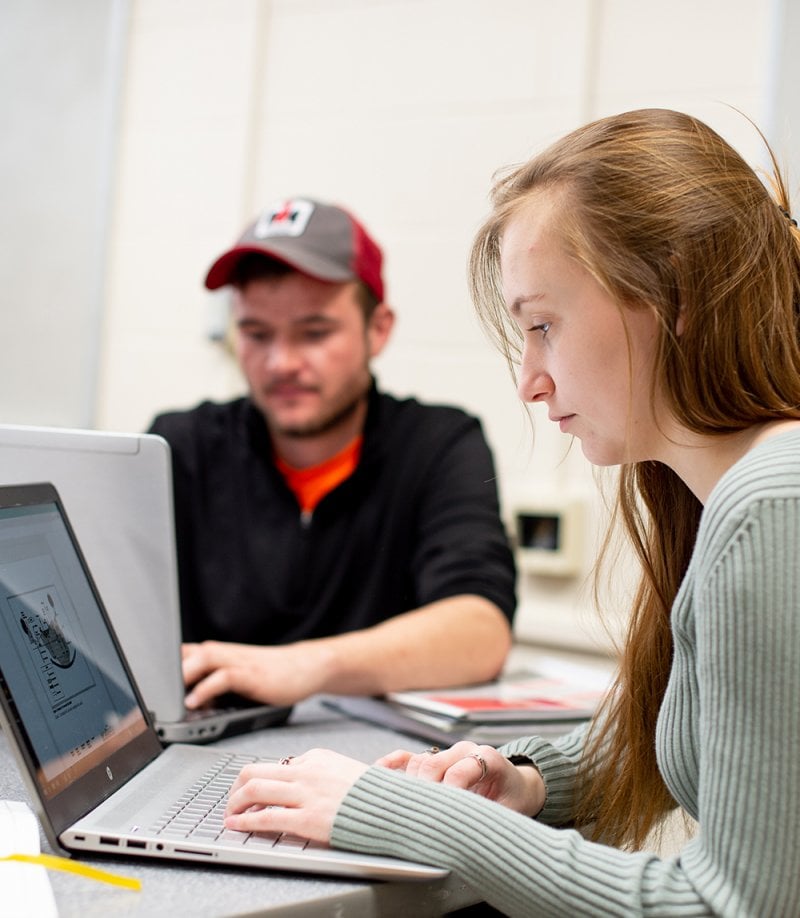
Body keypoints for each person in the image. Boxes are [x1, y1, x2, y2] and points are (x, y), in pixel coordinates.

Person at [221, 110, 800, 916]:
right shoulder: (726, 492)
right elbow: (680, 738)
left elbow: (728, 908)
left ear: (675, 296)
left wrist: (401, 814)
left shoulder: (771, 504)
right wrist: (526, 777)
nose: (529, 381)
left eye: (541, 326)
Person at [149, 197, 516, 709]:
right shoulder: (180, 446)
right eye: (256, 334)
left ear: (378, 329)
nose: (281, 363)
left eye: (315, 333)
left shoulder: (437, 444)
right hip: (202, 750)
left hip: (365, 760)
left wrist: (303, 666)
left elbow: (480, 631)